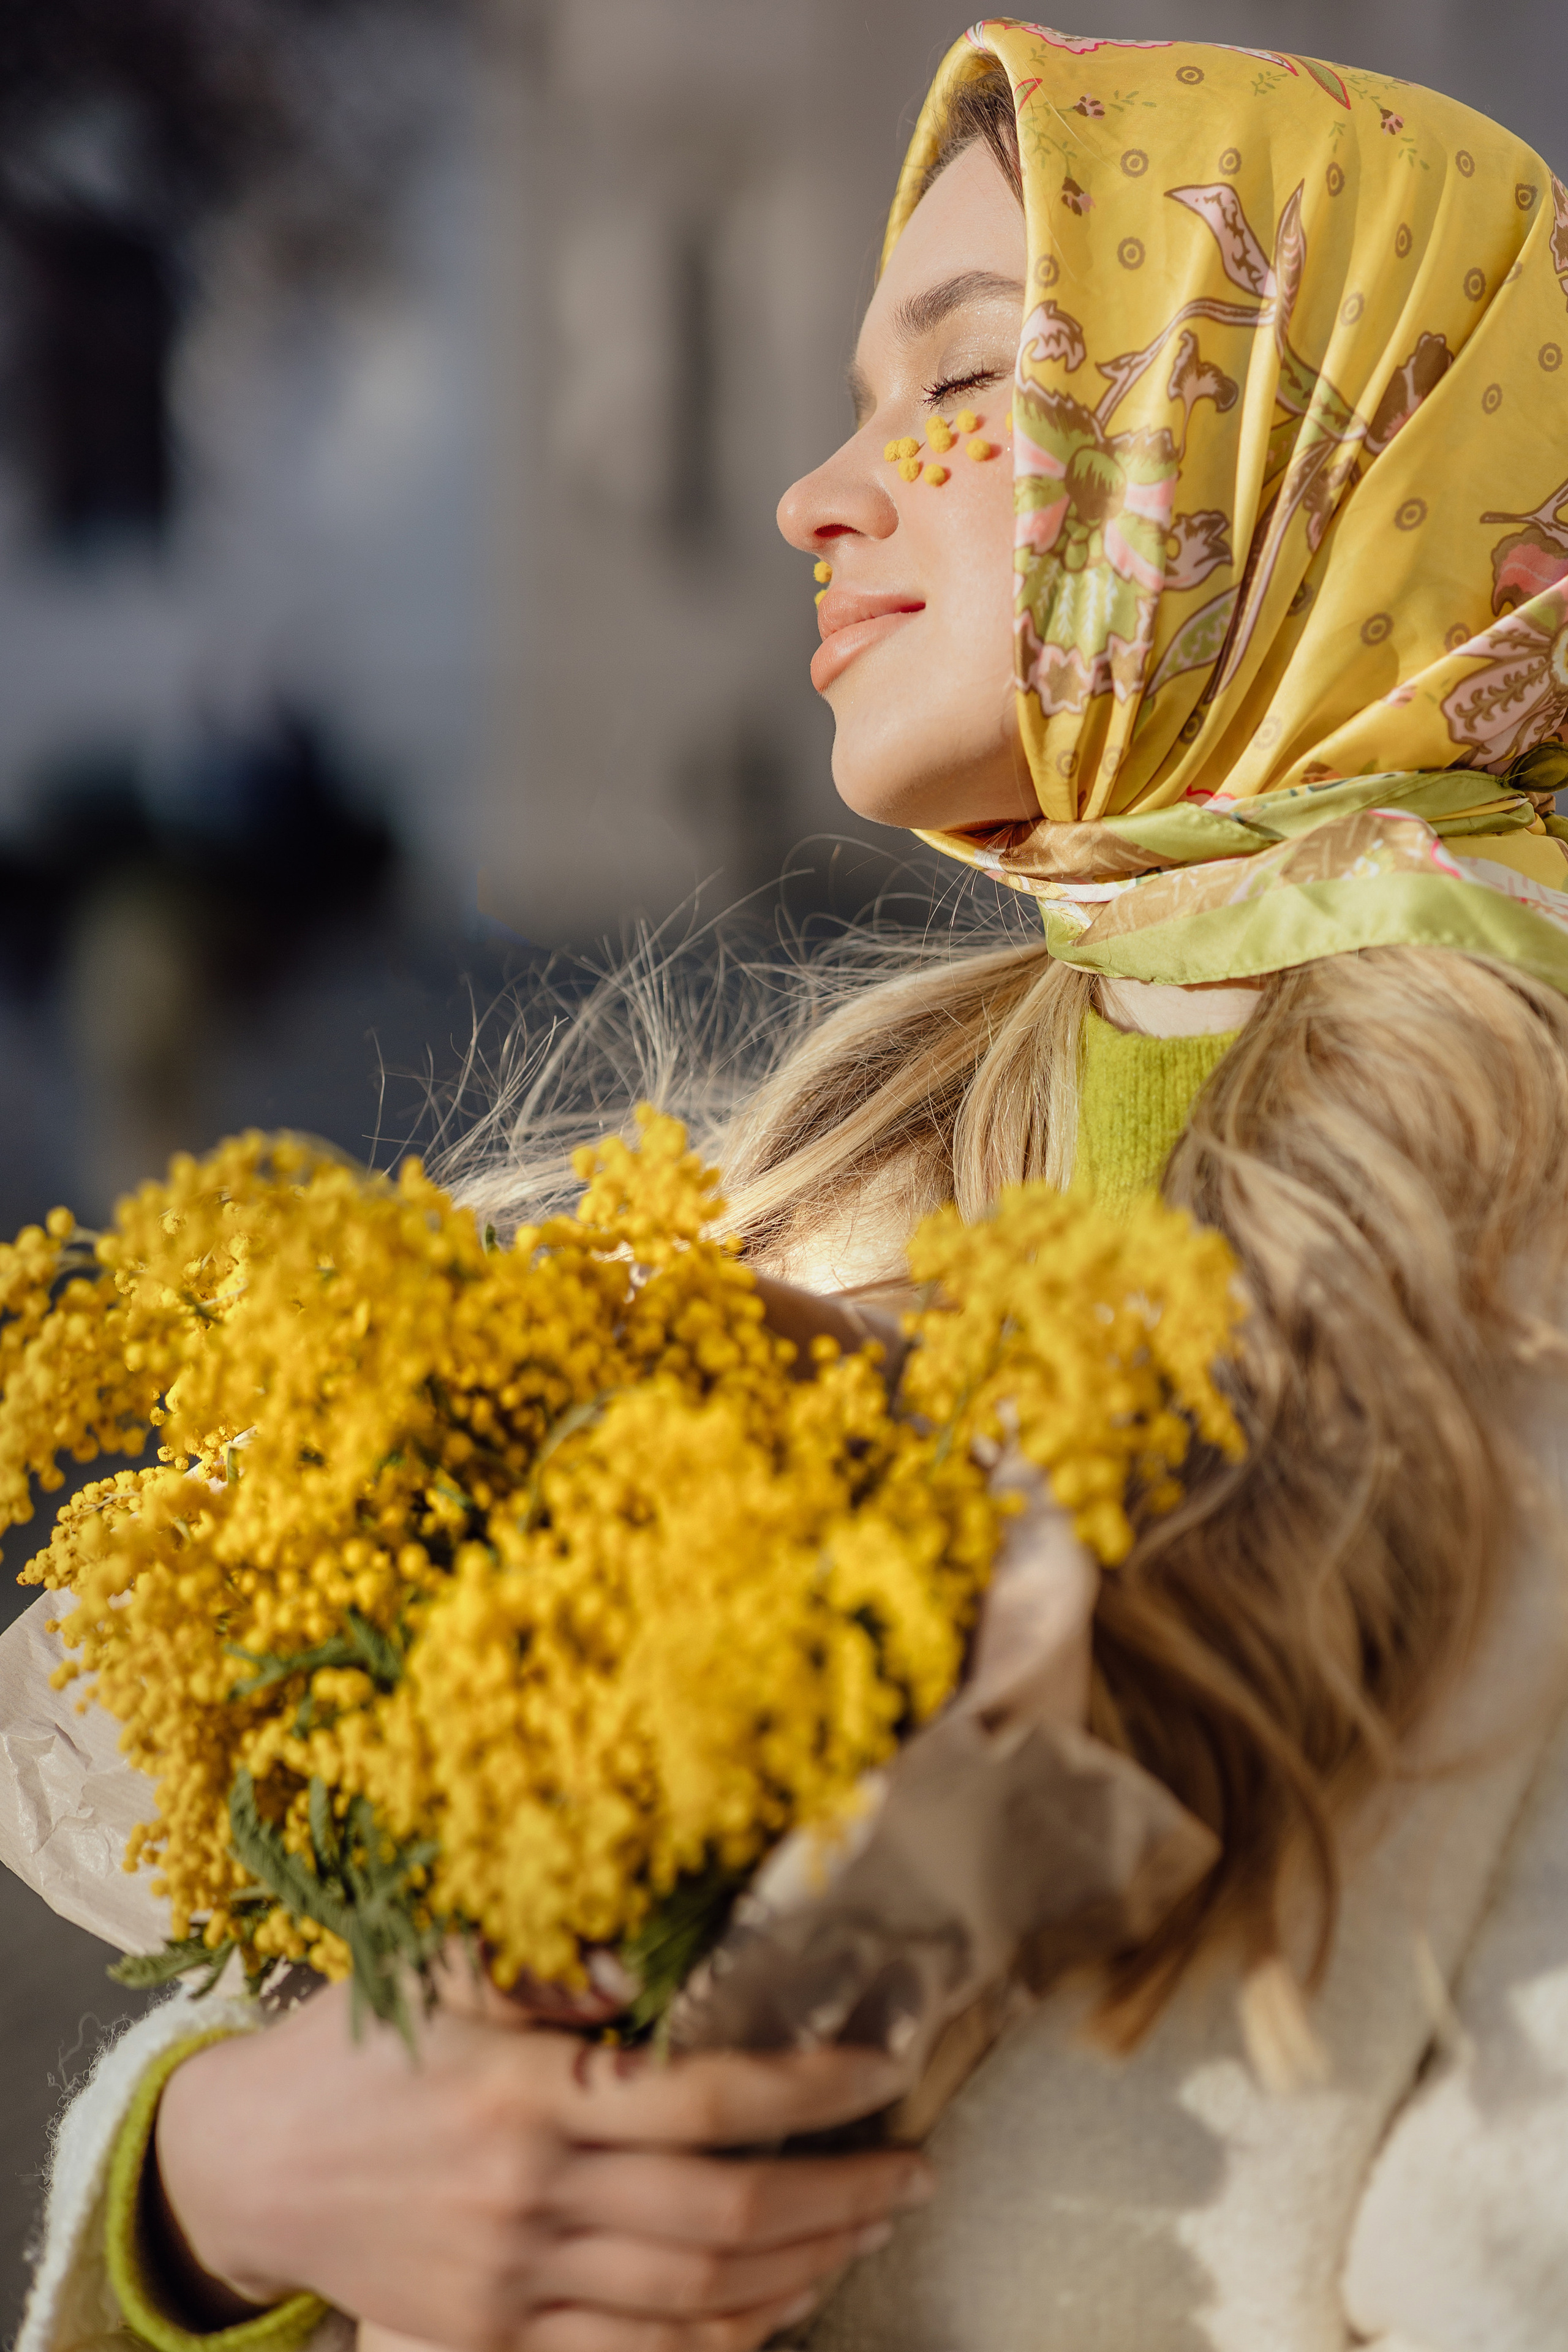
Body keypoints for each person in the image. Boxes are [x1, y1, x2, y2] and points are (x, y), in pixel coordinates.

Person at [12, 22, 1568, 2352]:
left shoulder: (1519, 1267)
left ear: (1306, 444)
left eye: (965, 376)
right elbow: (362, 2075)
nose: (810, 499)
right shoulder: (821, 1174)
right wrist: (220, 2182)